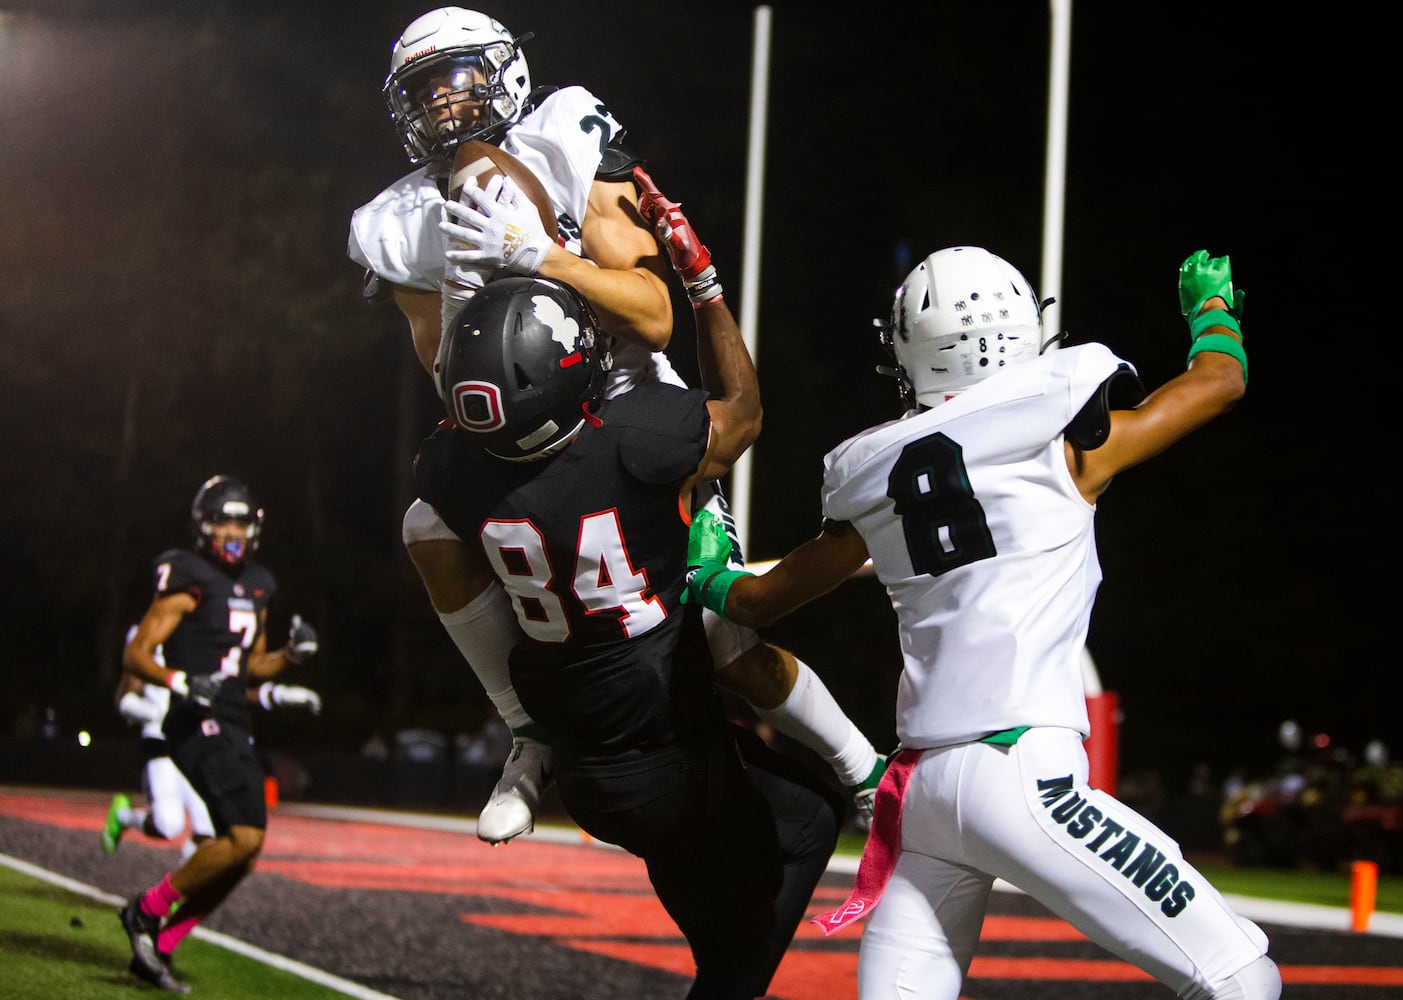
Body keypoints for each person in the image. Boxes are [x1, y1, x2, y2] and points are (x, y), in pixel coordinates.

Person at [682, 247, 1281, 998]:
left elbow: (755, 604)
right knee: (1240, 975)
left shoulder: (877, 483)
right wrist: (1213, 312)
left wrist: (708, 570)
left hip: (924, 796)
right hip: (1025, 776)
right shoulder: (1067, 450)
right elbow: (1220, 380)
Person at [348, 5, 880, 845]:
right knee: (427, 526)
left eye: (457, 81)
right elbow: (453, 382)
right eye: (424, 92)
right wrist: (461, 282)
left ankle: (861, 772)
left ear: (504, 70)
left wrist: (543, 255)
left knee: (721, 638)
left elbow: (654, 317)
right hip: (523, 428)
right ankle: (527, 732)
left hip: (627, 406)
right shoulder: (398, 222)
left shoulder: (565, 134)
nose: (445, 108)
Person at [410, 179, 841, 998]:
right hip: (667, 748)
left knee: (712, 914)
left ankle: (520, 737)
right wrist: (705, 286)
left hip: (584, 760)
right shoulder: (636, 442)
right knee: (806, 826)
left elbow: (453, 447)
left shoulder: (454, 477)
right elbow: (743, 412)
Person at [116, 475, 320, 993]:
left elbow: (252, 666)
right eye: (222, 519)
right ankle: (145, 911)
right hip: (192, 719)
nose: (231, 530)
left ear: (254, 527)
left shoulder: (260, 584)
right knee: (243, 836)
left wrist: (291, 658)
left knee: (243, 856)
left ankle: (161, 946)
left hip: (234, 720)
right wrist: (180, 680)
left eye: (239, 520)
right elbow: (136, 654)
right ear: (204, 525)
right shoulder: (187, 575)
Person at [102, 626, 322, 861]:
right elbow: (125, 698)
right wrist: (159, 713)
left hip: (197, 738)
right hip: (160, 741)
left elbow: (233, 690)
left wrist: (278, 694)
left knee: (211, 829)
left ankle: (177, 893)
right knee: (168, 824)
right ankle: (125, 816)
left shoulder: (211, 630)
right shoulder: (150, 630)